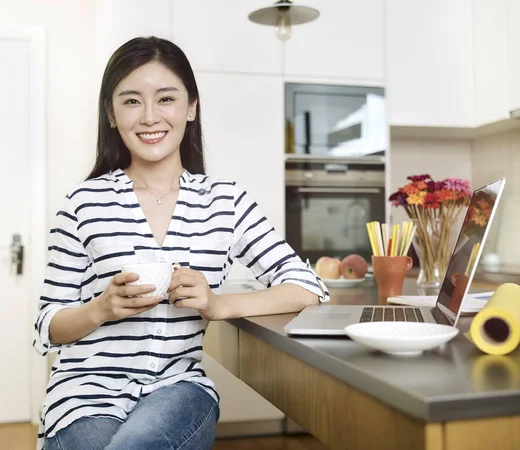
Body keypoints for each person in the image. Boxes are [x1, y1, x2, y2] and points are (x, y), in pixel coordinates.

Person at [33, 36, 330, 450]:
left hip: (178, 388)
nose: (150, 116)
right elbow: (48, 324)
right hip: (84, 394)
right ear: (112, 114)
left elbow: (309, 287)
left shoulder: (225, 201)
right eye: (132, 101)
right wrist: (100, 308)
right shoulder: (84, 203)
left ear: (191, 107)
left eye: (166, 98)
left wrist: (218, 304)